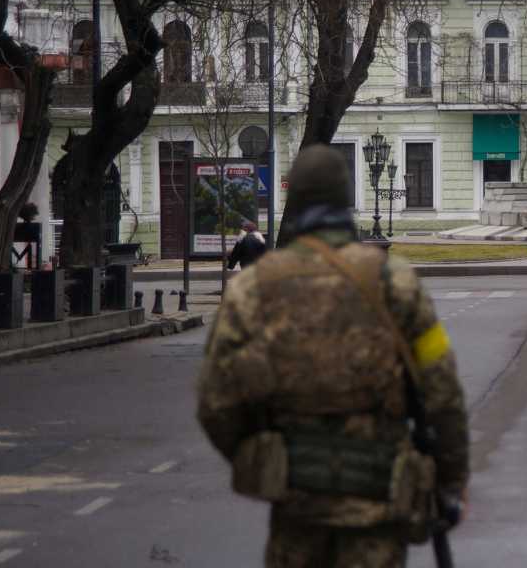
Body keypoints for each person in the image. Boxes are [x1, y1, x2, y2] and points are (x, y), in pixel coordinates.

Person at [197, 145, 469, 568]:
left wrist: (267, 457)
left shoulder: (253, 288)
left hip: (296, 509)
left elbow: (216, 400)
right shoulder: (395, 282)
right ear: (346, 201)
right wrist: (450, 483)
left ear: (295, 203)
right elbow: (442, 391)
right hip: (377, 506)